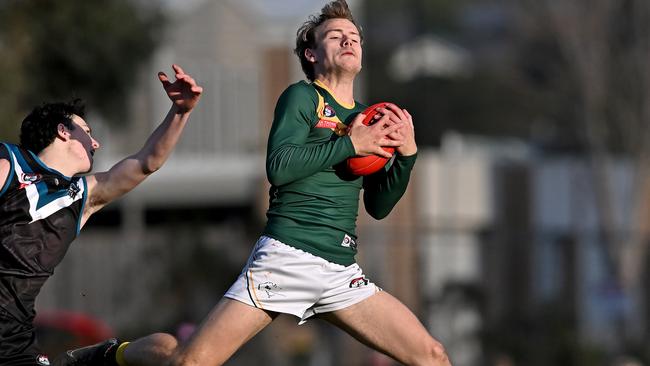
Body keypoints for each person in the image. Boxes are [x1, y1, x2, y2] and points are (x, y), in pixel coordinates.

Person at [69, 1, 452, 365]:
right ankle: (113, 355)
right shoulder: (301, 97)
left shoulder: (369, 121)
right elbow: (279, 167)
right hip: (286, 257)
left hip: (340, 269)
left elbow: (379, 207)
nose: (348, 40)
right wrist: (350, 144)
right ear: (312, 55)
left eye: (353, 36)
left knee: (432, 355)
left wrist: (407, 153)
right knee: (187, 361)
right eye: (335, 36)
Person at [0, 64, 202, 366]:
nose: (95, 143)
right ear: (63, 130)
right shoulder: (10, 165)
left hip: (14, 346)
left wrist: (180, 111)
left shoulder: (83, 196)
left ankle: (104, 357)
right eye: (88, 132)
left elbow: (147, 162)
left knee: (164, 347)